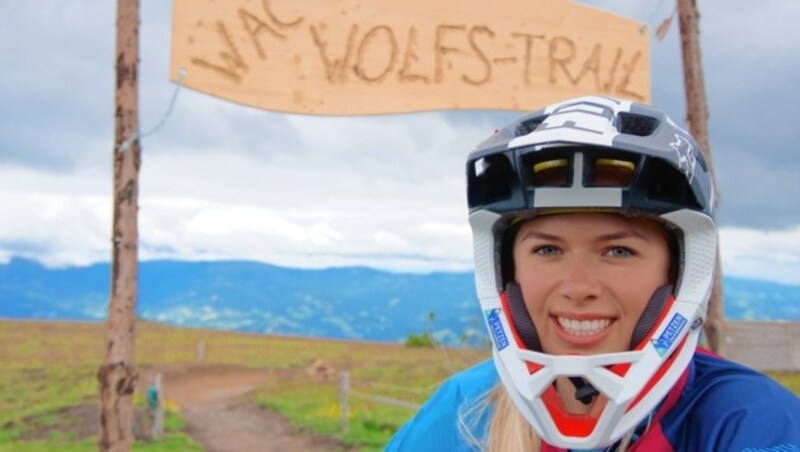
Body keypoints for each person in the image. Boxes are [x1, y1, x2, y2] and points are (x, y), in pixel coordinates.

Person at [386, 96, 800, 451]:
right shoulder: (464, 411)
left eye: (618, 250)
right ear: (506, 271)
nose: (578, 287)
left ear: (676, 274)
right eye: (547, 249)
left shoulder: (753, 426)